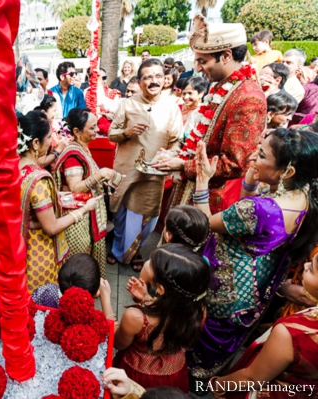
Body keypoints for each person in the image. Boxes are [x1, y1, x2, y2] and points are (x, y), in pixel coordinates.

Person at [188, 128, 318, 379]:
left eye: (261, 155)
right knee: (220, 345)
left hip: (227, 289)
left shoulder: (261, 210)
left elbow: (203, 223)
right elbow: (251, 216)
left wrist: (202, 180)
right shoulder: (302, 194)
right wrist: (250, 180)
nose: (253, 158)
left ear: (288, 171)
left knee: (202, 342)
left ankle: (192, 383)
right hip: (257, 289)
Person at [158, 14, 266, 215]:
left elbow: (235, 165)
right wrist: (179, 155)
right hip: (196, 190)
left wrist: (183, 164)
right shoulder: (223, 86)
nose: (197, 68)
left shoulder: (248, 97)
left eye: (202, 61)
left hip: (213, 202)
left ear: (226, 55)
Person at [209, 252, 318, 399]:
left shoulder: (292, 333)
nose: (305, 265)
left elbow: (252, 379)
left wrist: (218, 385)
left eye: (311, 268)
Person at [108, 58, 182, 269]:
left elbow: (177, 140)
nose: (153, 81)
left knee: (147, 217)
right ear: (140, 81)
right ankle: (118, 248)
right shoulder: (127, 104)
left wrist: (170, 154)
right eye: (148, 77)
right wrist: (126, 133)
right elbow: (111, 134)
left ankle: (135, 248)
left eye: (158, 76)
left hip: (153, 172)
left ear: (165, 80)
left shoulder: (172, 108)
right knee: (121, 214)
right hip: (126, 168)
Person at [19, 110, 99, 293]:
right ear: (36, 143)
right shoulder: (38, 179)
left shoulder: (14, 167)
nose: (51, 142)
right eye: (48, 138)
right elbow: (51, 227)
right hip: (37, 251)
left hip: (18, 244)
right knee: (42, 300)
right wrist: (83, 210)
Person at [114, 243, 210, 392]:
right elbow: (171, 317)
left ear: (160, 289)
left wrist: (107, 304)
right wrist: (146, 298)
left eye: (152, 265)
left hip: (136, 377)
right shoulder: (199, 310)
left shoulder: (136, 318)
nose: (148, 264)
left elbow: (118, 343)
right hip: (174, 375)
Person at [53, 108, 119, 278]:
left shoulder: (82, 148)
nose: (97, 130)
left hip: (85, 210)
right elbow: (75, 187)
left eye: (96, 126)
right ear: (76, 131)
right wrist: (99, 175)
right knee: (79, 255)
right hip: (76, 215)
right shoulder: (73, 155)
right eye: (92, 127)